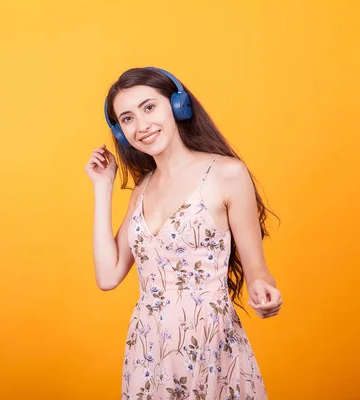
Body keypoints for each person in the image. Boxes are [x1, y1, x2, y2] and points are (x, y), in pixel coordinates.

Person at [85, 67, 282, 399]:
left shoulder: (227, 173)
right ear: (120, 132)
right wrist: (102, 188)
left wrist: (265, 293)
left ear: (178, 106)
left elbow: (257, 271)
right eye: (128, 118)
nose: (141, 125)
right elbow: (107, 276)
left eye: (149, 107)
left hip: (210, 344)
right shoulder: (142, 190)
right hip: (148, 350)